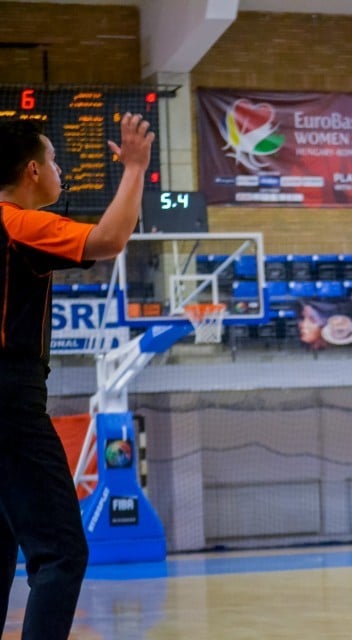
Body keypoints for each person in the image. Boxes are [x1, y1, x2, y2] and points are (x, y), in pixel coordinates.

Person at [0, 115, 154, 640]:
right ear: (32, 170)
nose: (61, 170)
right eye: (55, 160)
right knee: (62, 553)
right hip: (9, 401)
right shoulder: (16, 222)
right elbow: (110, 238)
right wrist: (134, 168)